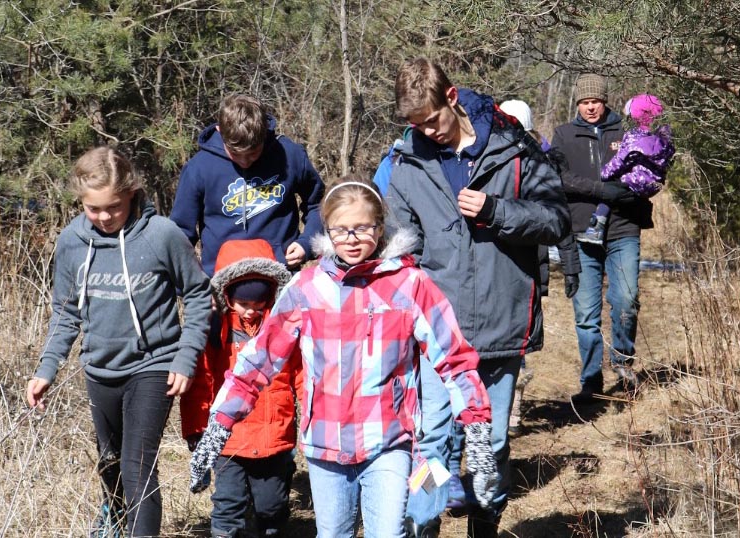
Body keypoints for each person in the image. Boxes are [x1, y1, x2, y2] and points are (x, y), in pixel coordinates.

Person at [189, 177, 497, 538]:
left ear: (380, 227)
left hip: (389, 440)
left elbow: (455, 358)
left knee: (388, 532)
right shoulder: (306, 288)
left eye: (362, 228)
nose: (351, 239)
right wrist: (218, 426)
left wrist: (476, 429)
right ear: (327, 231)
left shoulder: (411, 285)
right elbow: (259, 360)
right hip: (325, 444)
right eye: (340, 230)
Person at [384, 58, 570, 537]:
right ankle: (422, 527)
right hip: (437, 333)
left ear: (451, 98)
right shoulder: (408, 164)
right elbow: (404, 251)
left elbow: (557, 220)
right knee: (429, 442)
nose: (426, 132)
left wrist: (497, 211)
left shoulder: (515, 148)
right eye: (414, 125)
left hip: (501, 320)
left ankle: (485, 526)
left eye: (431, 121)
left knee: (492, 442)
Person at [25, 146, 212, 537]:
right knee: (110, 463)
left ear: (131, 193)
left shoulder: (162, 236)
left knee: (137, 466)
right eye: (94, 209)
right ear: (81, 200)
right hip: (99, 368)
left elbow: (197, 295)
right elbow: (65, 312)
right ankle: (115, 520)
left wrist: (185, 357)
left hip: (153, 364)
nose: (105, 217)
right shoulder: (71, 242)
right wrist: (47, 368)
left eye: (113, 206)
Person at [180, 238, 301, 538]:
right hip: (228, 439)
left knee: (271, 506)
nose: (250, 312)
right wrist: (196, 428)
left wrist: (313, 415)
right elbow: (201, 381)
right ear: (227, 295)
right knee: (228, 503)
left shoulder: (284, 328)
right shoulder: (215, 332)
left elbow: (302, 373)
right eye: (243, 304)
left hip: (275, 435)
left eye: (259, 305)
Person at [551, 74, 654, 403]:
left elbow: (647, 168)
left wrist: (635, 189)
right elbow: (560, 177)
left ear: (605, 101)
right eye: (584, 101)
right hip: (581, 232)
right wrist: (599, 189)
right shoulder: (564, 135)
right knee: (585, 314)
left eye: (595, 100)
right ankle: (591, 379)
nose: (590, 106)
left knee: (626, 299)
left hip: (623, 229)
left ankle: (623, 365)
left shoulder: (626, 132)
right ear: (577, 103)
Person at [170, 93, 325, 275]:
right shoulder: (199, 168)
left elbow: (319, 204)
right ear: (220, 131)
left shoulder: (290, 155)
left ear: (264, 132)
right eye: (235, 153)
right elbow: (181, 234)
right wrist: (194, 286)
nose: (245, 161)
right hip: (222, 280)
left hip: (281, 275)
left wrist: (306, 243)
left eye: (253, 153)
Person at [499, 99, 582, 436]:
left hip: (530, 269)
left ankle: (512, 414)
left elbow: (557, 217)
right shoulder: (483, 161)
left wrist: (571, 264)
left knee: (517, 342)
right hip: (493, 268)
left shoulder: (539, 164)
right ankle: (499, 412)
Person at [577, 93, 675, 244]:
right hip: (653, 185)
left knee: (608, 191)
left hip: (634, 181)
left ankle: (595, 229)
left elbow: (621, 159)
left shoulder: (635, 136)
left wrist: (604, 173)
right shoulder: (665, 135)